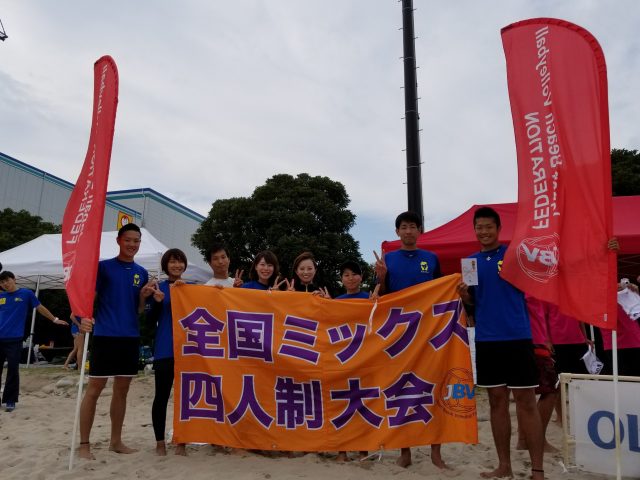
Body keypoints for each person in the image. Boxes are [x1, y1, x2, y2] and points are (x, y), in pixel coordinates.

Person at [457, 207, 544, 480]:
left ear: (498, 228)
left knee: (526, 402)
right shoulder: (470, 263)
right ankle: (504, 465)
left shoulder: (514, 255)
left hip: (517, 336)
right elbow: (473, 304)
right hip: (487, 339)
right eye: (479, 227)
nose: (483, 231)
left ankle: (538, 470)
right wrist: (464, 296)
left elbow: (543, 274)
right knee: (497, 402)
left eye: (488, 226)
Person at [373, 211, 445, 469]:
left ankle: (436, 452)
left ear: (419, 231)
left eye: (413, 226)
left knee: (433, 389)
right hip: (400, 334)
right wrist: (381, 277)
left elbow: (442, 293)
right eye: (404, 227)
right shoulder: (388, 259)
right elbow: (380, 297)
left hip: (429, 333)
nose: (408, 231)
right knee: (402, 390)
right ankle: (405, 451)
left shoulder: (431, 258)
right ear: (397, 232)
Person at [78, 223, 150, 460]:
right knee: (94, 389)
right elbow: (86, 300)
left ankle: (115, 441)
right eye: (128, 240)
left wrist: (143, 297)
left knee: (122, 390)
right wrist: (82, 318)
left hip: (130, 337)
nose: (132, 244)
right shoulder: (103, 267)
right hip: (105, 335)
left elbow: (139, 310)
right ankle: (84, 444)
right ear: (119, 240)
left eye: (136, 241)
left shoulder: (141, 272)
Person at [0, 270, 67, 412]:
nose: (5, 284)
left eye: (7, 280)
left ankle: (10, 400)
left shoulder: (26, 294)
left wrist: (54, 319)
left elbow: (40, 307)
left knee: (12, 369)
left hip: (14, 339)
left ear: (14, 279)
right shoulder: (1, 296)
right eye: (2, 282)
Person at [148, 248, 188, 456]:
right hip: (165, 349)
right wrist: (156, 303)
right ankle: (160, 442)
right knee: (161, 396)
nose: (176, 265)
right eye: (172, 261)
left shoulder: (191, 289)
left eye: (180, 261)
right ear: (166, 265)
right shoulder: (158, 288)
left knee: (185, 398)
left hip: (189, 351)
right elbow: (148, 321)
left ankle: (182, 442)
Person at [334, 260, 369, 462]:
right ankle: (342, 450)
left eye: (354, 274)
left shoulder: (370, 298)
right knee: (343, 403)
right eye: (346, 275)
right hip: (343, 358)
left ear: (361, 277)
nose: (350, 278)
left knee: (362, 403)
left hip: (366, 358)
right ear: (341, 279)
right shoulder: (336, 301)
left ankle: (363, 449)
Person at [517, 296, 559, 453]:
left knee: (524, 394)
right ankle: (537, 439)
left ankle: (523, 440)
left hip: (527, 340)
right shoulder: (530, 287)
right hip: (533, 341)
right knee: (552, 389)